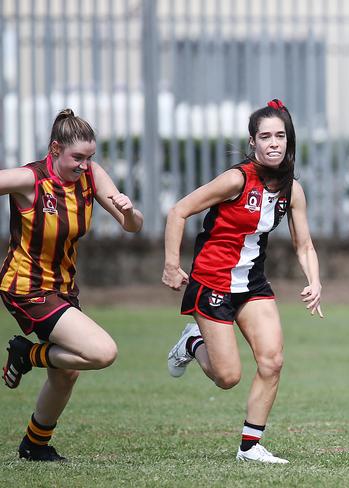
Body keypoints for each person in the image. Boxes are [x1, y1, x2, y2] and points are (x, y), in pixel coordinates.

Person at [162, 99, 323, 464]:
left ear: (289, 141)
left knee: (273, 361)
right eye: (265, 136)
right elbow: (178, 211)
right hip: (212, 282)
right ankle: (191, 344)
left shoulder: (292, 190)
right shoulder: (236, 179)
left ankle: (250, 447)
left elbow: (305, 244)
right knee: (228, 376)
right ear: (253, 143)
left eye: (280, 136)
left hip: (252, 284)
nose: (273, 143)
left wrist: (314, 281)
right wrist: (171, 265)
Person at [1, 109, 144, 461]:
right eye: (77, 157)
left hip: (62, 289)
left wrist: (128, 211)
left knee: (66, 373)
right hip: (27, 288)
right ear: (54, 149)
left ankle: (34, 446)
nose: (84, 164)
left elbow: (133, 227)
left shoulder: (90, 175)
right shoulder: (29, 179)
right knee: (102, 351)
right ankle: (27, 355)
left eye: (90, 157)